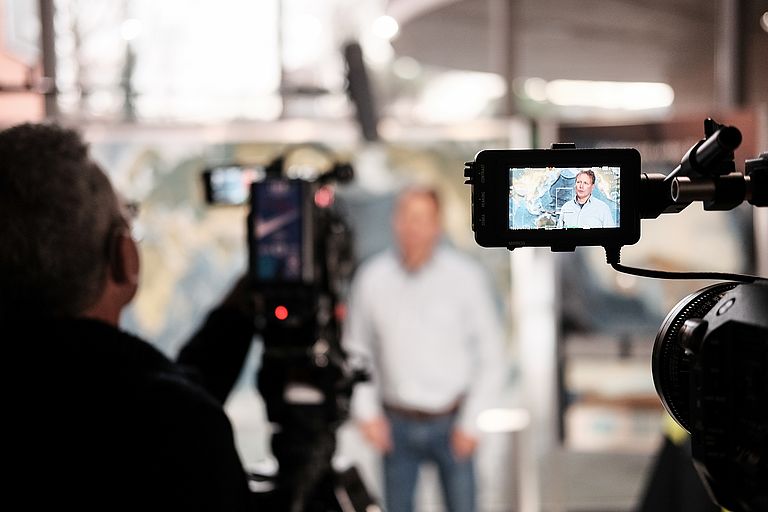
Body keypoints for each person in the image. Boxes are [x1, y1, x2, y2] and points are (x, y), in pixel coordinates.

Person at [0, 123, 256, 511]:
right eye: (129, 218)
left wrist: (238, 310)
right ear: (125, 258)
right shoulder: (178, 432)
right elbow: (144, 399)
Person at [342, 185, 507, 512]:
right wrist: (367, 414)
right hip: (396, 423)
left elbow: (492, 354)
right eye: (406, 217)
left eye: (421, 218)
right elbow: (357, 349)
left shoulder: (466, 278)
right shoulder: (372, 278)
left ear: (436, 224)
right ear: (395, 221)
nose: (412, 227)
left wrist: (472, 422)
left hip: (452, 421)